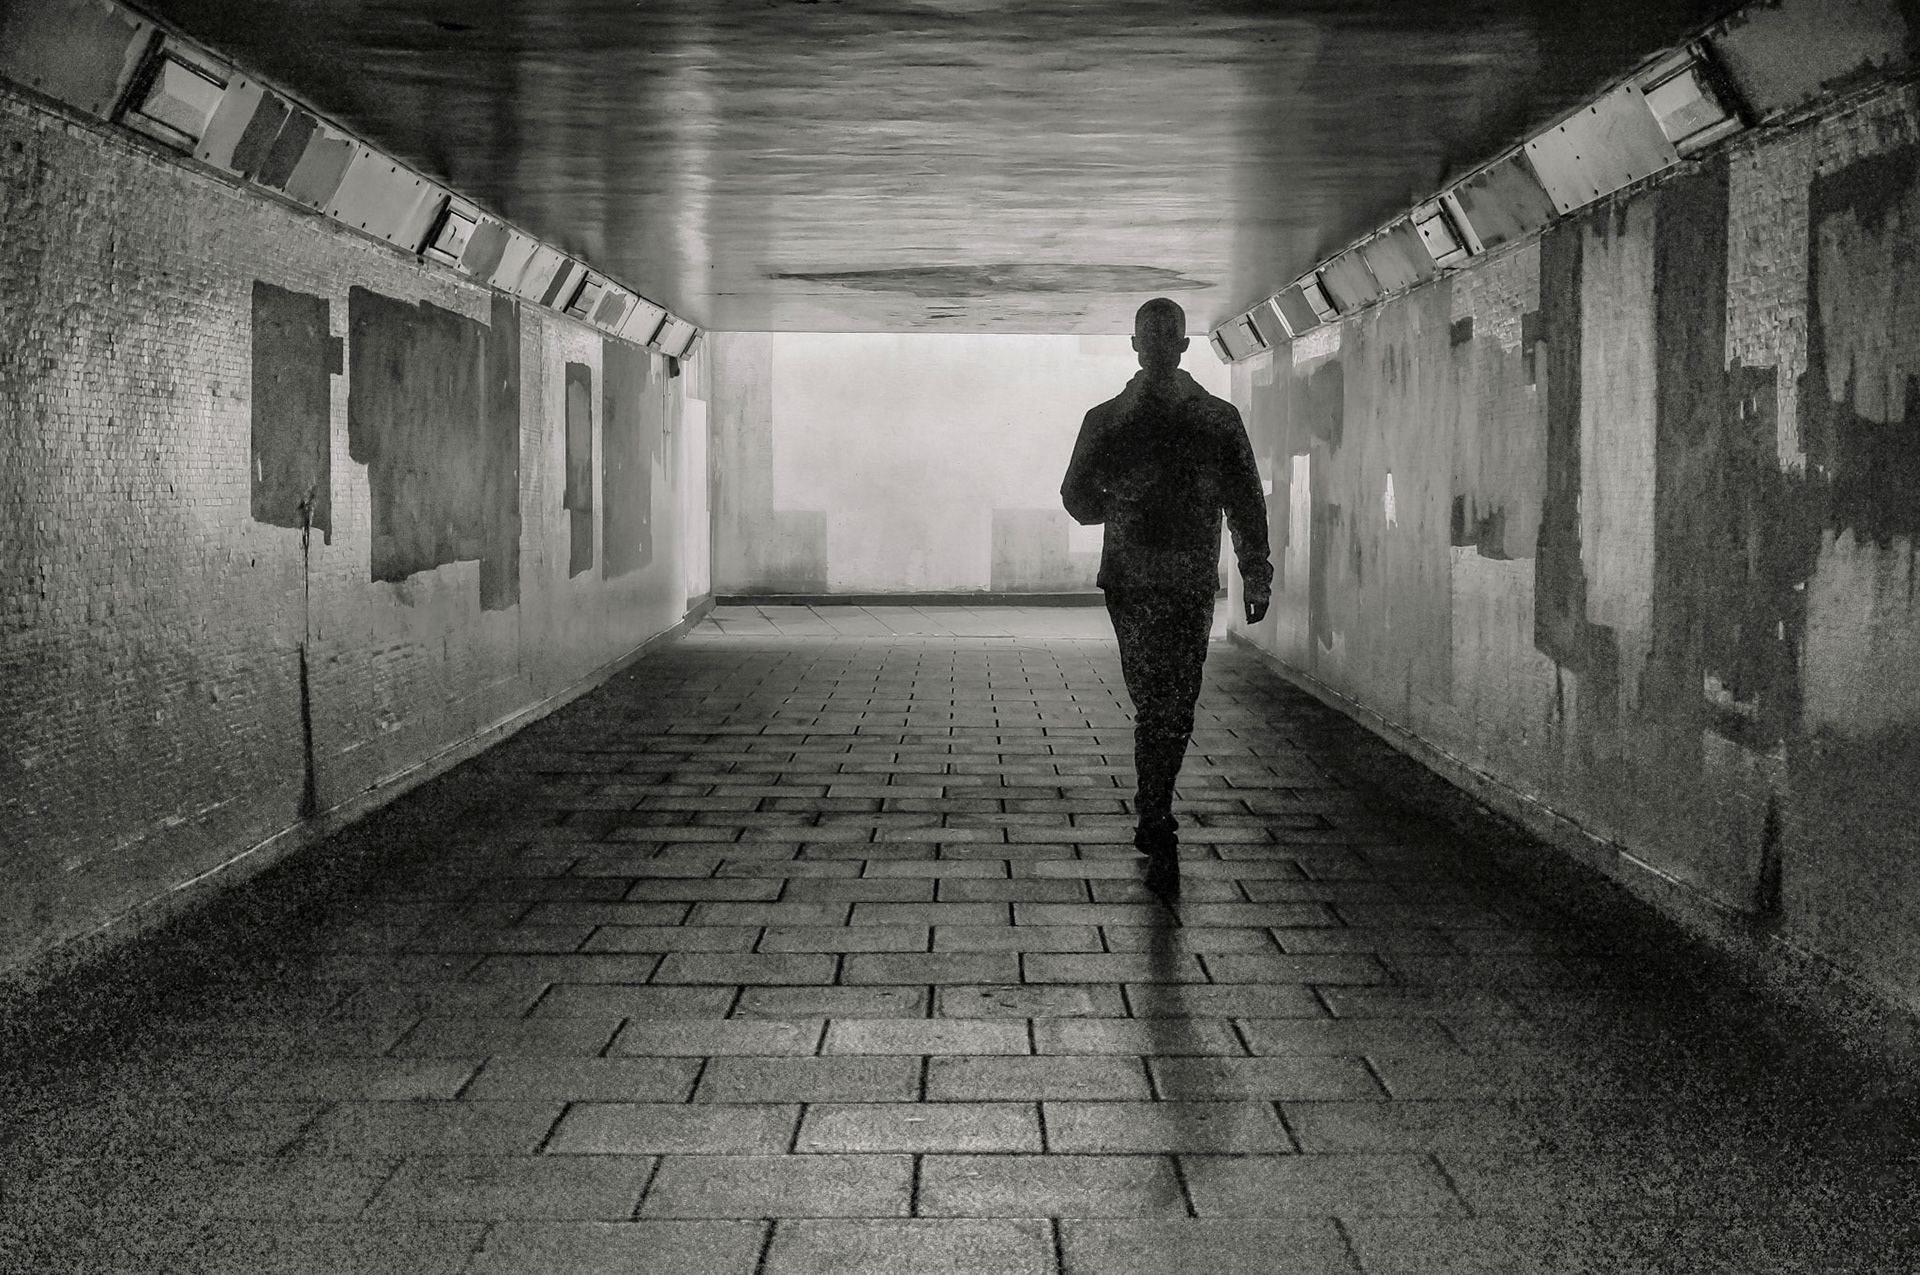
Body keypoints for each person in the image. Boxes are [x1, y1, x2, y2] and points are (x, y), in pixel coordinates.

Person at [1061, 298, 1272, 899]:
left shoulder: (1131, 419)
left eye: (1163, 337)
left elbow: (1244, 501)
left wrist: (1256, 570)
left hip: (1156, 580)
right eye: (1154, 338)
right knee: (1165, 702)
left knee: (1168, 703)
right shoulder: (1195, 418)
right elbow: (1076, 496)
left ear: (1171, 346)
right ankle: (1155, 810)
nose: (1157, 347)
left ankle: (1154, 807)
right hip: (1158, 581)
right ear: (1150, 346)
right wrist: (1254, 570)